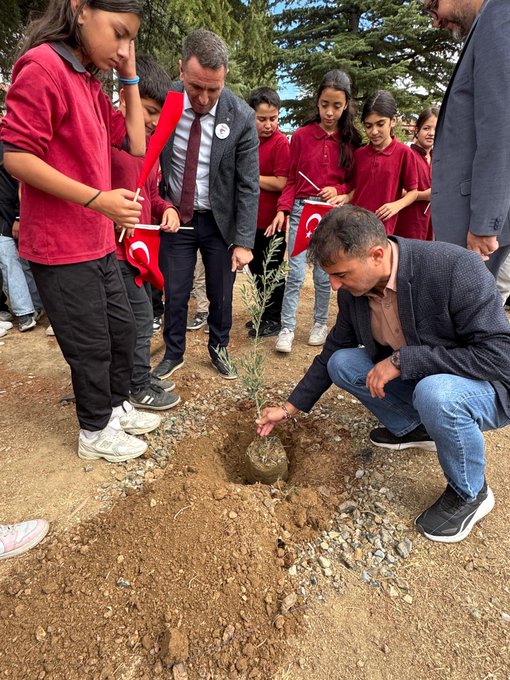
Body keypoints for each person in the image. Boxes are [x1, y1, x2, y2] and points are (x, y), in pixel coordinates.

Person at [257, 205, 510, 543]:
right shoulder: (356, 292)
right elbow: (331, 351)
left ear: (376, 255)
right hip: (426, 380)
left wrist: (405, 361)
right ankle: (417, 427)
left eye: (341, 274)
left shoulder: (453, 268)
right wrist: (288, 409)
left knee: (436, 394)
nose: (334, 287)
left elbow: (499, 356)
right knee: (343, 363)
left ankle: (471, 492)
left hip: (483, 389)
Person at [1, 0, 162, 463]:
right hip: (60, 244)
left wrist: (128, 74)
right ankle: (94, 431)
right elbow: (16, 157)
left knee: (121, 329)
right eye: (119, 33)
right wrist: (98, 199)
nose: (123, 46)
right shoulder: (43, 66)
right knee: (90, 344)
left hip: (94, 239)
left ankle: (113, 408)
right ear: (80, 9)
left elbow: (135, 141)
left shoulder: (89, 81)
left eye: (131, 38)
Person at [154, 29, 259, 381]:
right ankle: (173, 352)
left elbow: (248, 184)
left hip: (219, 221)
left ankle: (219, 347)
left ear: (224, 76)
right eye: (196, 87)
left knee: (221, 292)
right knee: (177, 290)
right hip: (176, 216)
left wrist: (244, 241)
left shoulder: (241, 116)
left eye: (213, 89)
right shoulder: (164, 100)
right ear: (182, 69)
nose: (203, 98)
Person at [271, 69, 362, 354]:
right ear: (317, 102)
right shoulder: (300, 136)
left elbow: (354, 184)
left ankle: (319, 323)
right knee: (296, 273)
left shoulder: (350, 141)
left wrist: (340, 191)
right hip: (301, 209)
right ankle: (287, 327)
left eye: (336, 106)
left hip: (331, 215)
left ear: (346, 104)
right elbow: (291, 179)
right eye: (325, 104)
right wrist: (283, 210)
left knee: (325, 274)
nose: (330, 112)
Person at [111, 54, 181, 411]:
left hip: (137, 251)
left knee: (140, 317)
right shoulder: (110, 136)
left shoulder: (150, 149)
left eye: (158, 113)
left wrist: (166, 208)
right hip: (112, 250)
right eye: (148, 110)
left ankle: (137, 375)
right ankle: (136, 384)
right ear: (126, 98)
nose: (153, 121)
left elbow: (151, 195)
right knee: (136, 318)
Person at [424, 0, 510, 276]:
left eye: (433, 6)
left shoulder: (498, 17)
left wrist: (485, 224)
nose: (435, 21)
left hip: (479, 235)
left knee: (470, 315)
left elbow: (500, 126)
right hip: (473, 230)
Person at [247, 86, 290, 338]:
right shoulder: (249, 141)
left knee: (271, 270)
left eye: (273, 118)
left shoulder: (281, 143)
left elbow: (282, 182)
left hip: (272, 221)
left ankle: (274, 318)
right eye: (262, 119)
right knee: (256, 270)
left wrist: (252, 177)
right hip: (251, 221)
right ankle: (264, 313)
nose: (268, 124)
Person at [347, 91, 418, 236]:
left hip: (383, 229)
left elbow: (413, 191)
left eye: (380, 124)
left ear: (393, 121)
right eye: (368, 126)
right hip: (355, 226)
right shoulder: (359, 154)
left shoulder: (404, 153)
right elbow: (353, 188)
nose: (374, 131)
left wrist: (396, 205)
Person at [0, 142, 37, 332]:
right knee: (15, 263)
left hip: (9, 219)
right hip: (9, 218)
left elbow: (18, 184)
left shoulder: (7, 146)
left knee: (13, 263)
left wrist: (18, 217)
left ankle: (26, 312)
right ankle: (28, 309)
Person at [394, 106, 438, 240]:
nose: (431, 133)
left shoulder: (438, 159)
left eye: (436, 129)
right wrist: (423, 195)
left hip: (429, 226)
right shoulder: (407, 155)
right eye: (426, 128)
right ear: (416, 130)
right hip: (408, 224)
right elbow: (395, 190)